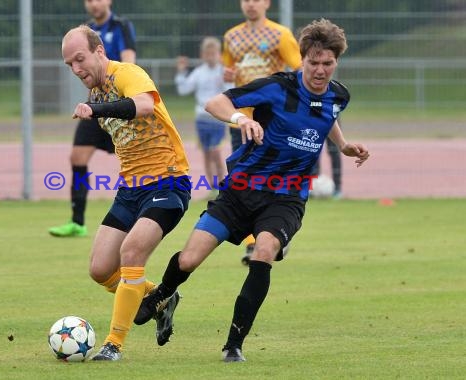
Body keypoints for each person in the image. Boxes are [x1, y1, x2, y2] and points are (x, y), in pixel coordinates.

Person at [134, 18, 370, 363]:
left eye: (328, 63)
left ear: (336, 62)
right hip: (241, 190)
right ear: (301, 59)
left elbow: (327, 115)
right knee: (189, 258)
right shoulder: (277, 88)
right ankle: (165, 296)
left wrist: (344, 145)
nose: (320, 70)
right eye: (313, 62)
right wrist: (241, 119)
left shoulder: (339, 95)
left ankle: (233, 344)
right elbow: (215, 102)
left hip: (286, 197)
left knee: (264, 251)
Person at [61, 25, 190, 360]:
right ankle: (161, 296)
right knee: (100, 269)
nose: (76, 69)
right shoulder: (96, 96)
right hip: (130, 189)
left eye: (80, 59)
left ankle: (113, 344)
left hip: (168, 181)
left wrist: (97, 110)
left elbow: (144, 105)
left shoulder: (127, 74)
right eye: (69, 65)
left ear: (99, 52)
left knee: (131, 253)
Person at [222, 0, 302, 262]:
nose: (250, 4)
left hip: (272, 120)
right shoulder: (231, 36)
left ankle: (273, 235)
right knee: (240, 179)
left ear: (267, 3)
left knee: (272, 181)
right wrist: (227, 74)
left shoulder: (280, 34)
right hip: (242, 119)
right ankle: (251, 241)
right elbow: (228, 72)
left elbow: (300, 70)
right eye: (246, 0)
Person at [49, 0, 136, 237]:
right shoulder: (84, 31)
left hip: (119, 105)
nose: (94, 4)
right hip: (96, 107)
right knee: (77, 156)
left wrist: (118, 94)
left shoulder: (121, 26)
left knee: (132, 160)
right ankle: (77, 221)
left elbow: (129, 62)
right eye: (89, 0)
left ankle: (140, 215)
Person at [174, 37, 228, 199]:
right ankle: (211, 187)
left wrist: (227, 81)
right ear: (203, 55)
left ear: (219, 54)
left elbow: (230, 91)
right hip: (202, 119)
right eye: (207, 53)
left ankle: (223, 185)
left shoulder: (223, 72)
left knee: (216, 151)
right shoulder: (199, 72)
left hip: (217, 118)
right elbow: (184, 90)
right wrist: (181, 72)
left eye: (214, 53)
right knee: (206, 153)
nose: (211, 56)